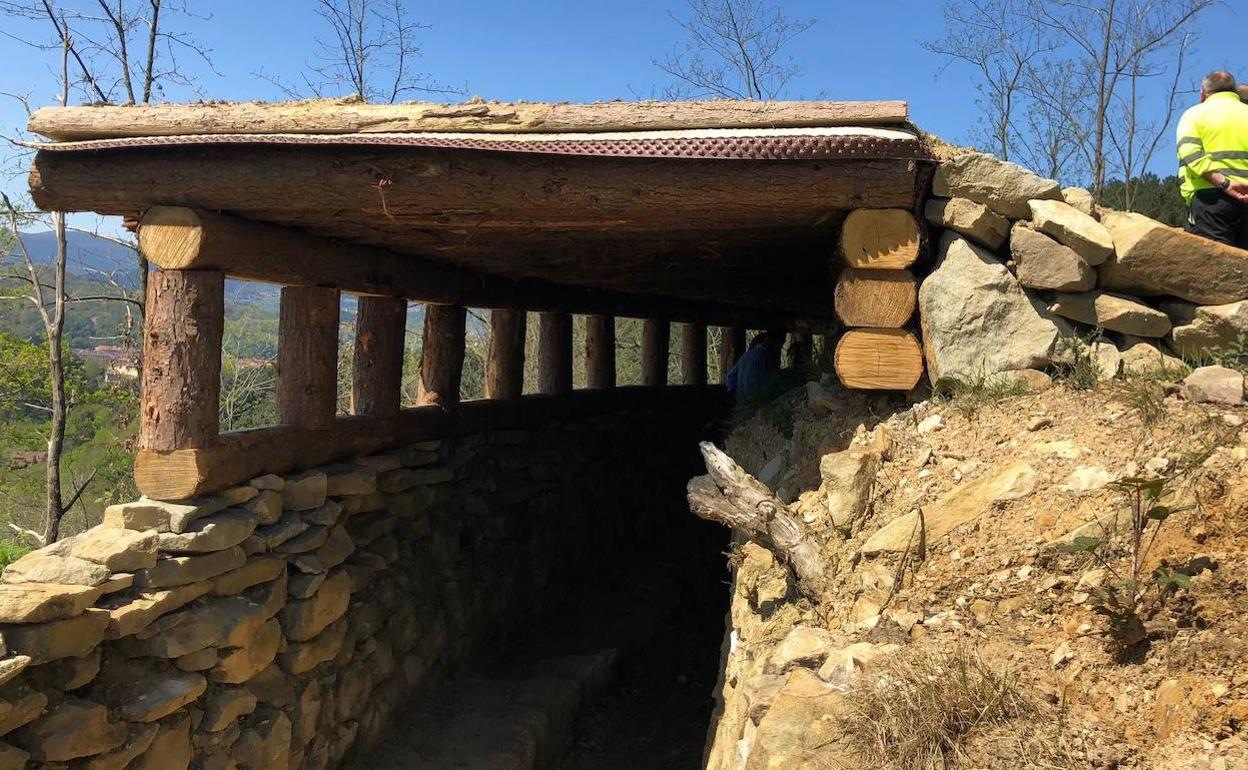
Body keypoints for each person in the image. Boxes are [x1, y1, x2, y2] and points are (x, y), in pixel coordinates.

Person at [1176, 71, 1248, 248]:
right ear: (1234, 90)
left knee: (1215, 268)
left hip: (1210, 199)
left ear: (1203, 93)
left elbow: (1191, 153)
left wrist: (1225, 184)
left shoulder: (1194, 115)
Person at [724, 331, 782, 403]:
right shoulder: (768, 357)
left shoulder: (744, 357)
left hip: (742, 403)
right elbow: (774, 379)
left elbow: (729, 380)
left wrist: (737, 394)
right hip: (760, 402)